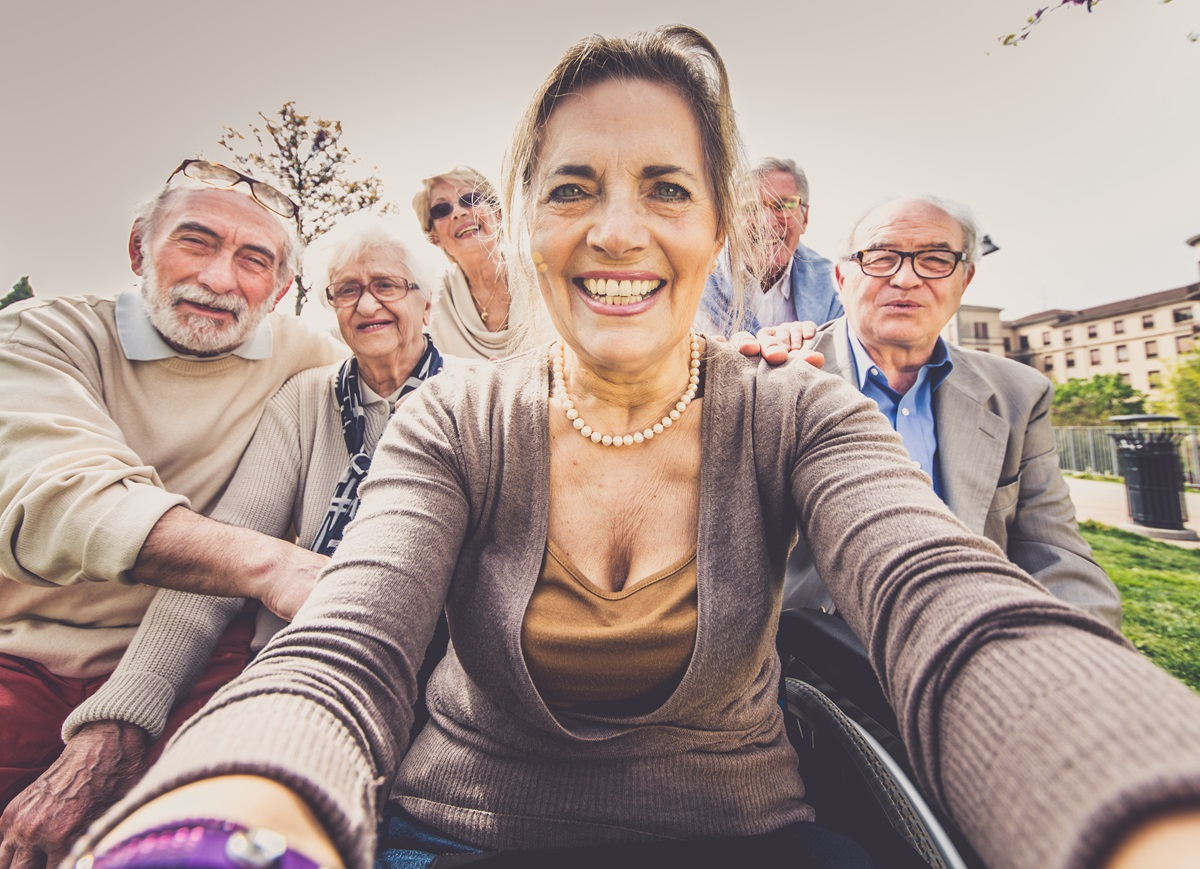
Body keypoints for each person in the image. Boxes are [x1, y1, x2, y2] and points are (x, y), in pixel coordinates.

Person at [79, 27, 1200, 869]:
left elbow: (954, 606)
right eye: (574, 187)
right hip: (458, 835)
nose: (618, 229)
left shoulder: (796, 415)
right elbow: (345, 649)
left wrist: (1144, 805)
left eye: (666, 187)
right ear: (526, 223)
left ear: (722, 229)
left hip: (747, 838)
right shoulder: (456, 418)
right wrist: (213, 826)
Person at [0, 161, 345, 865]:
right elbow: (60, 493)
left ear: (280, 290)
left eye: (254, 260)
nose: (221, 279)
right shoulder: (42, 336)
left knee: (206, 834)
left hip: (198, 659)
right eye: (196, 241)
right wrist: (273, 562)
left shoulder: (308, 361)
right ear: (137, 251)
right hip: (26, 651)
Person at [58, 210, 448, 766]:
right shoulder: (303, 398)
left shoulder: (477, 397)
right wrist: (125, 712)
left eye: (386, 285)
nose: (366, 306)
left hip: (436, 678)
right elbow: (230, 546)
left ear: (426, 301)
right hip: (294, 662)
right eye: (347, 291)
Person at [784, 195, 1122, 628]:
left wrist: (1070, 665)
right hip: (811, 666)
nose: (905, 279)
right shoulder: (775, 376)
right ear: (840, 277)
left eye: (935, 259)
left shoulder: (1019, 395)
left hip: (972, 652)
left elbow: (1059, 558)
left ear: (965, 280)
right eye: (882, 258)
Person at [697, 158, 843, 336]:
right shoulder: (698, 281)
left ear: (804, 218)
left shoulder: (833, 285)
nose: (766, 222)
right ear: (730, 219)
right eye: (750, 208)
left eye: (783, 205)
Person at [413, 166, 514, 360]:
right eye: (441, 210)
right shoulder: (429, 300)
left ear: (497, 213)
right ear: (434, 237)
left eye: (470, 199)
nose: (458, 213)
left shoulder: (543, 273)